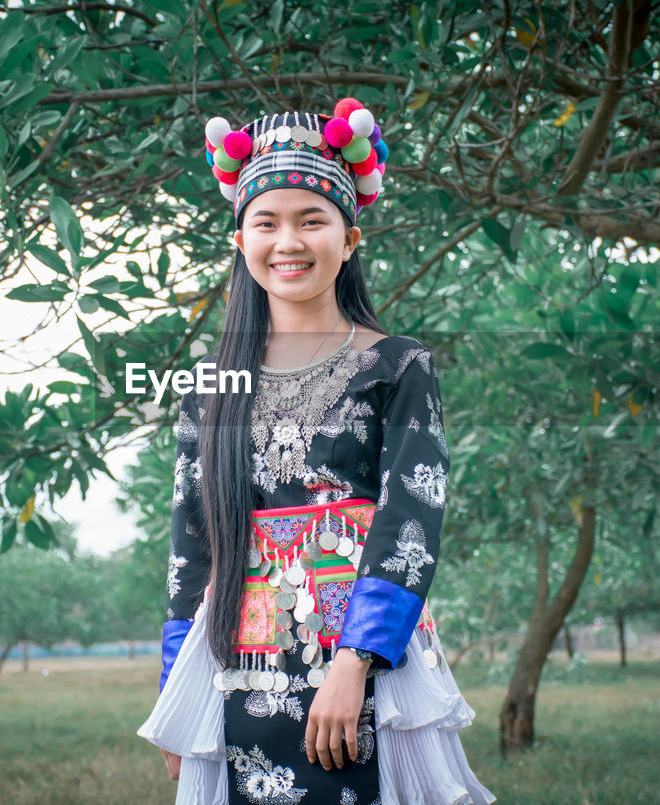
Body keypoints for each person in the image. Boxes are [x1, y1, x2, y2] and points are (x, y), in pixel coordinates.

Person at [138, 100, 493, 805]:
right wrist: (177, 690)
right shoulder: (209, 388)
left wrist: (355, 663)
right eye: (266, 222)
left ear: (350, 236)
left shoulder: (397, 365)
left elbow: (411, 523)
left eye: (311, 219)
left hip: (369, 659)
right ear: (240, 241)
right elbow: (191, 552)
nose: (288, 241)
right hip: (240, 664)